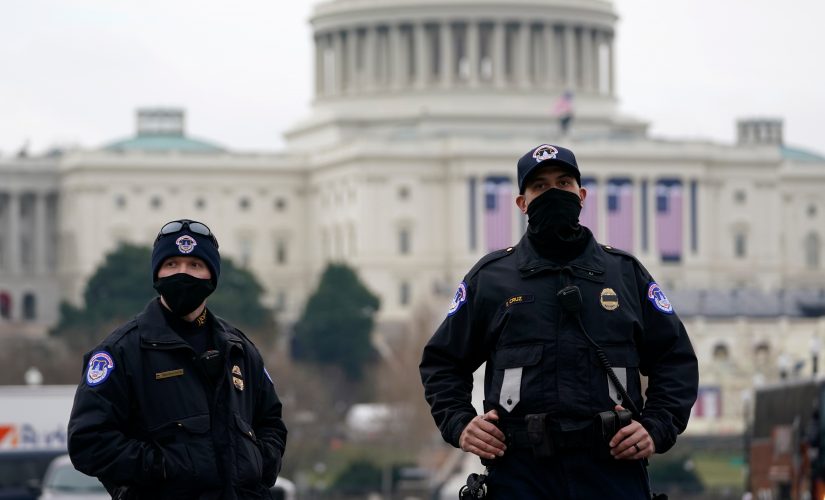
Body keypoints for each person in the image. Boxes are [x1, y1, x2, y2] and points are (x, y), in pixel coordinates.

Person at [420, 144, 698, 499]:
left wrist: (656, 427)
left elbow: (675, 360)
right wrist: (460, 424)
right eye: (540, 186)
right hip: (521, 472)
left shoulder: (625, 275)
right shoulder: (491, 280)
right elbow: (442, 363)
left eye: (563, 183)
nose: (553, 192)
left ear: (581, 195)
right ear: (522, 203)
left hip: (611, 468)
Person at [68, 219, 287, 500]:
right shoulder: (120, 352)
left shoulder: (240, 349)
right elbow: (89, 442)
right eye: (172, 264)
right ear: (158, 273)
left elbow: (271, 421)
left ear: (212, 276)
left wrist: (259, 464)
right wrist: (163, 468)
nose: (183, 274)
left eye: (195, 265)